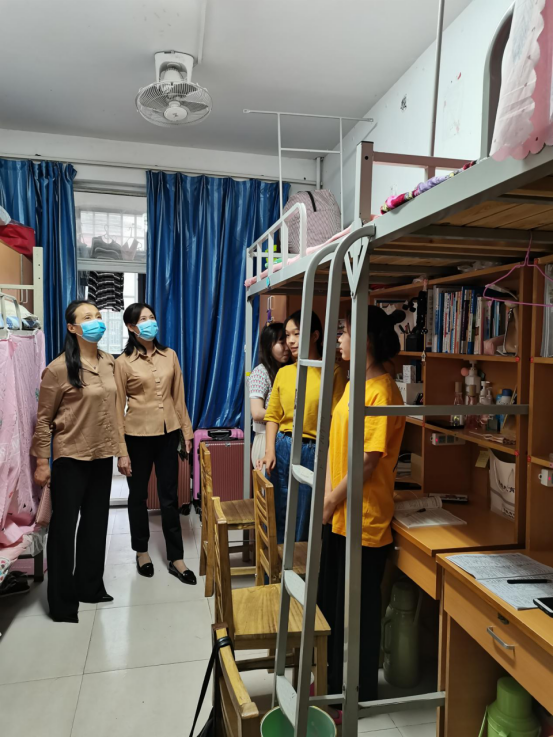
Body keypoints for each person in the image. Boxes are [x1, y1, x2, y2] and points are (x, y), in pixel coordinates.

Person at [318, 305, 406, 708]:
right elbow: (339, 446)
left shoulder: (381, 392)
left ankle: (357, 696)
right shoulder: (357, 382)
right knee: (335, 609)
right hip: (341, 514)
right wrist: (329, 501)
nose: (339, 339)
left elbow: (368, 464)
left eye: (344, 331)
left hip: (363, 519)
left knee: (359, 615)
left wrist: (330, 500)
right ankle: (335, 687)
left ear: (365, 339)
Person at [32, 300, 123, 623]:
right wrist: (42, 462)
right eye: (88, 317)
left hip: (101, 455)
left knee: (96, 525)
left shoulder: (109, 362)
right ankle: (61, 602)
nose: (96, 321)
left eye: (98, 316)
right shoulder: (57, 369)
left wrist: (122, 451)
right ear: (72, 328)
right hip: (70, 457)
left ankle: (89, 586)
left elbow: (114, 412)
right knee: (63, 529)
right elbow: (44, 420)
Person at [115, 303, 196, 585]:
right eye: (143, 319)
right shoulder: (123, 362)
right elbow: (116, 408)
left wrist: (187, 432)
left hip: (168, 433)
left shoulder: (170, 355)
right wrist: (121, 451)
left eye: (152, 317)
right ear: (131, 327)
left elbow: (178, 397)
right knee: (137, 496)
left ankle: (176, 558)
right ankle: (142, 552)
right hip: (136, 436)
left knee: (170, 497)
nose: (150, 322)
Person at [259, 310, 347, 543]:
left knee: (304, 516)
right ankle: (274, 566)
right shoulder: (284, 373)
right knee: (277, 511)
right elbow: (273, 416)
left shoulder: (333, 372)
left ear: (315, 335)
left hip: (313, 450)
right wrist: (269, 450)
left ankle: (299, 565)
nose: (290, 341)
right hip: (282, 446)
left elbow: (336, 422)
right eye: (287, 335)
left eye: (296, 334)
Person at [249, 322, 290, 469]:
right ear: (269, 346)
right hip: (264, 438)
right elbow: (256, 412)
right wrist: (287, 415)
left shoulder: (287, 371)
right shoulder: (260, 372)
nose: (287, 347)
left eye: (287, 341)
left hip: (283, 439)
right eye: (281, 342)